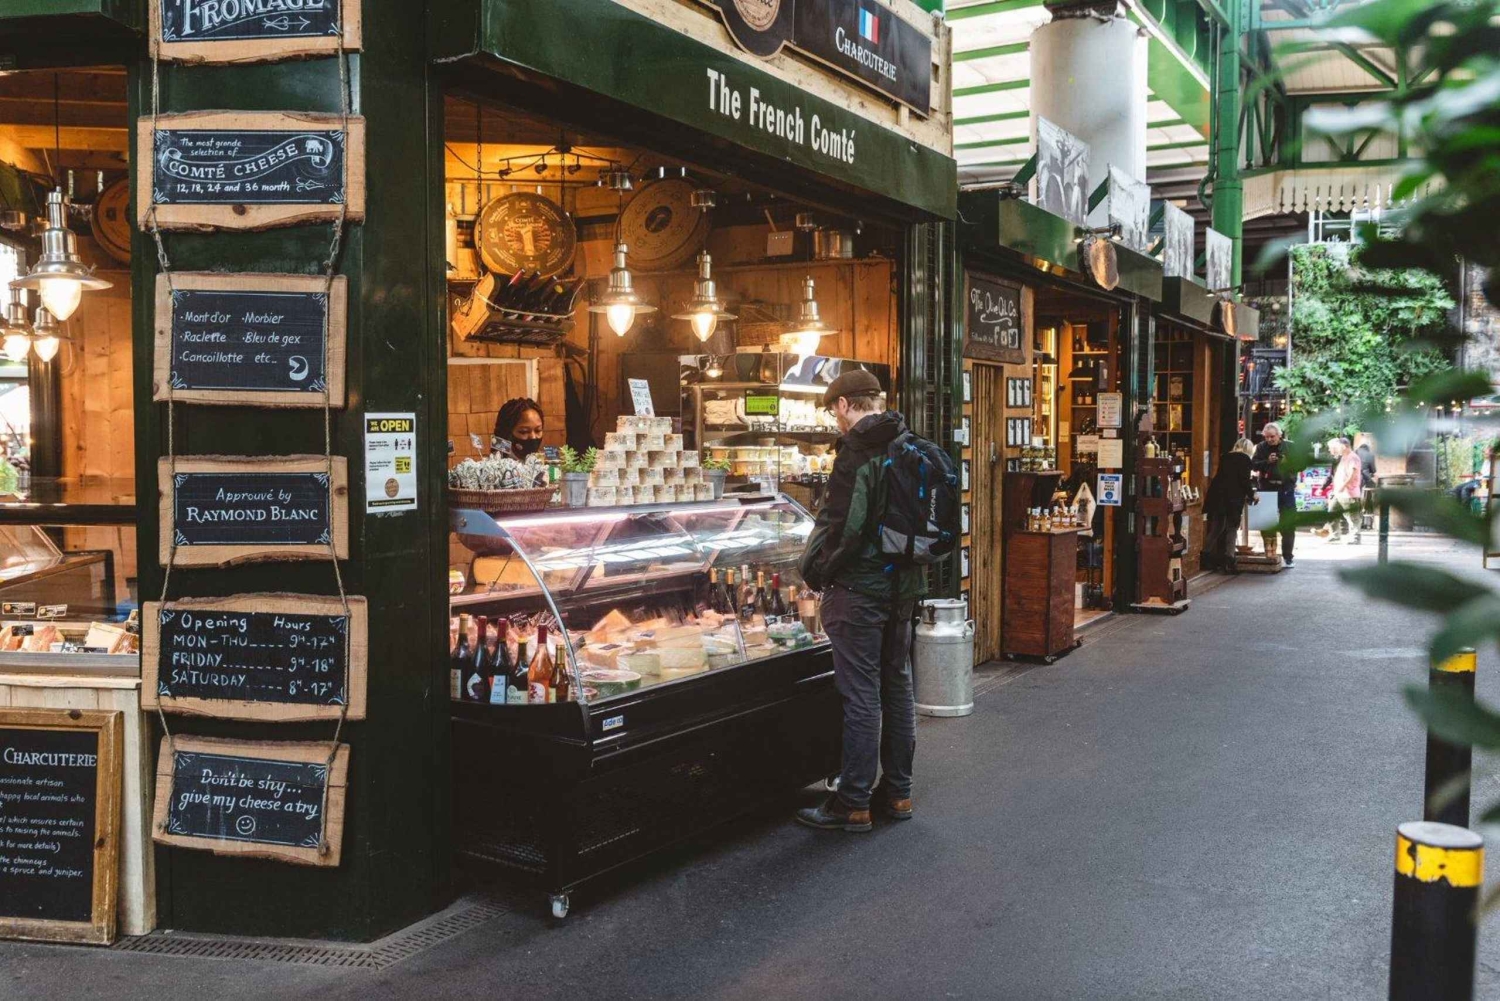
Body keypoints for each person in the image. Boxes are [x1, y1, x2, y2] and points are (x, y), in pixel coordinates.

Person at [795, 369, 925, 833]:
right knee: (897, 686)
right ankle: (898, 792)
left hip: (860, 590)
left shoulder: (858, 450)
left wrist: (817, 572)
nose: (836, 420)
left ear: (845, 404)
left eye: (834, 411)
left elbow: (842, 528)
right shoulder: (907, 442)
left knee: (862, 695)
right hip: (903, 588)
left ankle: (852, 802)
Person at [1202, 438, 1256, 571]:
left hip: (1218, 497)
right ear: (1249, 449)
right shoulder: (1245, 459)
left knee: (1217, 528)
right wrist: (1252, 495)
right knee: (1232, 528)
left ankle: (1205, 557)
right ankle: (1229, 561)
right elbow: (1244, 480)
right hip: (1233, 499)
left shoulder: (1225, 457)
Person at [1251, 422, 1298, 568]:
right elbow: (1253, 465)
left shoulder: (1290, 446)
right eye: (1267, 437)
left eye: (1272, 436)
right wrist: (1267, 461)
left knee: (1288, 523)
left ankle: (1288, 557)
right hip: (1267, 488)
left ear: (1279, 435)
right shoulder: (1261, 447)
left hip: (1286, 489)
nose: (1269, 439)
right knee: (1266, 522)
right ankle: (1270, 553)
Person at [1327, 437, 1364, 543]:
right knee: (1332, 513)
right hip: (1339, 493)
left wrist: (1343, 486)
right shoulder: (1344, 457)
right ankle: (1335, 535)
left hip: (1349, 493)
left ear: (1344, 446)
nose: (1337, 449)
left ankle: (1355, 538)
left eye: (1338, 447)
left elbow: (1353, 474)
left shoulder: (1353, 457)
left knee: (1352, 517)